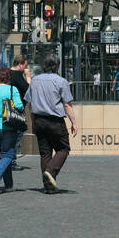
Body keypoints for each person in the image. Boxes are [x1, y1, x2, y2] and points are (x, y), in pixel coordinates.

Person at [28, 56, 78, 194]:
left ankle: (48, 185)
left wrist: (33, 121)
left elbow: (30, 103)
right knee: (63, 148)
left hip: (38, 119)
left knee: (45, 153)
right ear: (57, 66)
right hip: (54, 120)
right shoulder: (61, 81)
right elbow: (67, 104)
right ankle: (50, 172)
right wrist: (74, 122)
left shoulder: (34, 81)